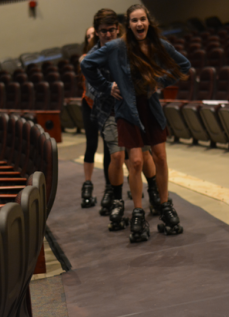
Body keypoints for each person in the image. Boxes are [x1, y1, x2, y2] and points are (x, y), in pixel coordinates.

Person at [81, 4, 191, 242]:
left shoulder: (156, 44)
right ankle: (138, 212)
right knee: (136, 161)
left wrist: (161, 82)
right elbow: (86, 65)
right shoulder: (117, 46)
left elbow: (184, 65)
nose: (139, 24)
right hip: (126, 109)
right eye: (134, 20)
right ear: (128, 25)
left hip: (150, 107)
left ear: (148, 21)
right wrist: (107, 86)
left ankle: (165, 205)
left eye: (142, 19)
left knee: (160, 157)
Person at [83, 9, 162, 233]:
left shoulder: (129, 48)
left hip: (133, 109)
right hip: (109, 111)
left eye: (111, 30)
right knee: (117, 155)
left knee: (142, 156)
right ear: (96, 33)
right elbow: (90, 89)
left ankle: (154, 189)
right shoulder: (92, 56)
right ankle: (118, 201)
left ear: (118, 29)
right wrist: (109, 87)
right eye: (103, 31)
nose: (107, 34)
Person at [79, 26, 112, 208]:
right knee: (91, 144)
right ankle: (87, 185)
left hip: (105, 105)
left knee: (109, 146)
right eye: (89, 35)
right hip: (89, 105)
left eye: (94, 34)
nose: (92, 37)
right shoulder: (86, 58)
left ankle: (110, 187)